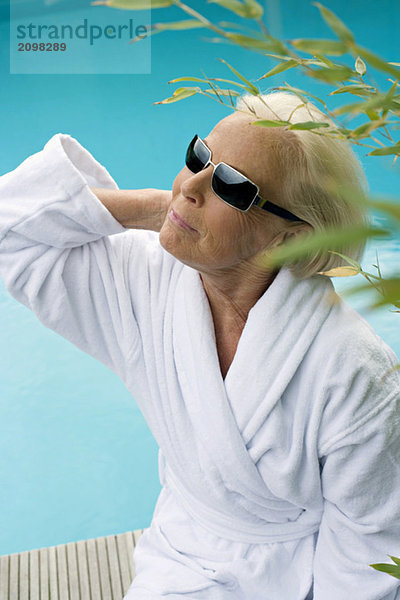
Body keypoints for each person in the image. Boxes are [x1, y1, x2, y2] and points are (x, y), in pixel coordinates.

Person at [0, 90, 400, 600]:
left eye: (231, 185)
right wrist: (151, 209)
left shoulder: (354, 371)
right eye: (198, 157)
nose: (190, 185)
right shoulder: (145, 282)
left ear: (286, 238)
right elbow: (10, 229)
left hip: (303, 577)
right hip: (180, 560)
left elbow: (371, 552)